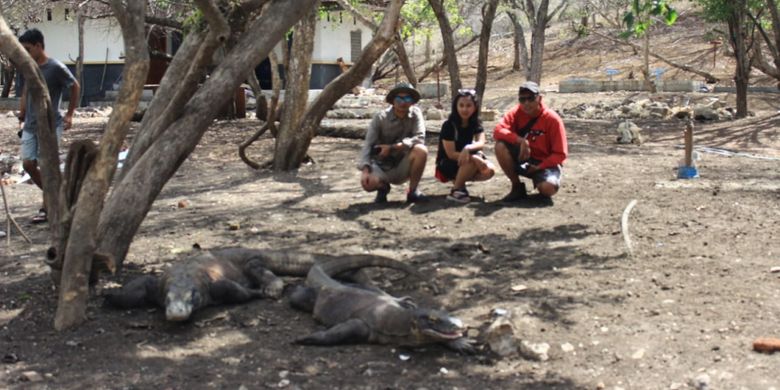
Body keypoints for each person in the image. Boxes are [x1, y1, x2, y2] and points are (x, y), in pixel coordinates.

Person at [17, 28, 80, 223]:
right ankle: (58, 196)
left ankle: (46, 208)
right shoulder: (29, 67)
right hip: (30, 125)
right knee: (28, 163)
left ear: (38, 46)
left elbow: (74, 86)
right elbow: (26, 91)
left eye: (28, 49)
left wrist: (70, 114)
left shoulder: (56, 67)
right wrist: (22, 113)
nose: (26, 53)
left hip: (52, 124)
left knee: (46, 166)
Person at [493, 81, 567, 201]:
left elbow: (560, 154)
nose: (526, 103)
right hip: (523, 160)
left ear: (539, 98)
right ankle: (517, 186)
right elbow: (498, 130)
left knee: (549, 188)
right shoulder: (516, 112)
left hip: (545, 163)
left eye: (530, 98)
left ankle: (540, 183)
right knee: (500, 146)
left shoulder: (553, 119)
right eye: (522, 99)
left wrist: (539, 167)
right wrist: (520, 141)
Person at [358, 82, 427, 203]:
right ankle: (383, 188)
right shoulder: (380, 118)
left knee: (421, 150)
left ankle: (413, 191)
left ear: (412, 101)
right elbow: (368, 144)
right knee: (368, 183)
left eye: (407, 98)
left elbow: (420, 137)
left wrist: (394, 147)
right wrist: (365, 168)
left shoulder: (416, 114)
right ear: (392, 101)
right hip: (382, 166)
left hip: (404, 165)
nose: (403, 102)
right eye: (399, 98)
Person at [434, 88, 495, 204]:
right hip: (447, 163)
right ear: (455, 107)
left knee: (490, 170)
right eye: (461, 105)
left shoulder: (476, 123)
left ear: (475, 107)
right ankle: (456, 190)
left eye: (468, 105)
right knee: (472, 160)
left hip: (466, 159)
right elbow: (450, 154)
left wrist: (468, 148)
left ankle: (460, 183)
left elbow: (481, 142)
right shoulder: (449, 126)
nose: (464, 109)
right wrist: (474, 158)